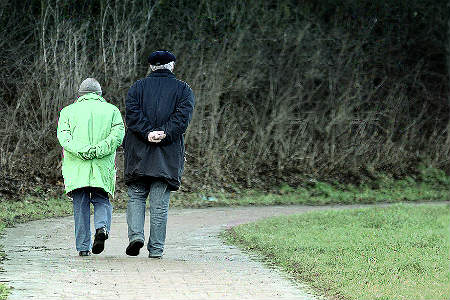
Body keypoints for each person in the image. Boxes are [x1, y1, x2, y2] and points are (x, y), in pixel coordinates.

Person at [123, 50, 195, 258]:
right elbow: (182, 119)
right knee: (159, 204)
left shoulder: (137, 88)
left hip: (138, 153)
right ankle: (156, 249)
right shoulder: (183, 90)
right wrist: (164, 133)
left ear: (152, 67)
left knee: (136, 196)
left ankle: (136, 236)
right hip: (167, 155)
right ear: (171, 65)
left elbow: (132, 116)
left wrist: (148, 132)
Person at [57, 78, 125, 256]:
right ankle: (101, 228)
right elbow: (117, 136)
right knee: (102, 199)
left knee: (80, 206)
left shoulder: (67, 112)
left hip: (77, 167)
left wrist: (82, 151)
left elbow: (64, 138)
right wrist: (98, 149)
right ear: (99, 94)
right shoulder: (112, 110)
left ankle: (83, 248)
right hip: (102, 165)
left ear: (80, 95)